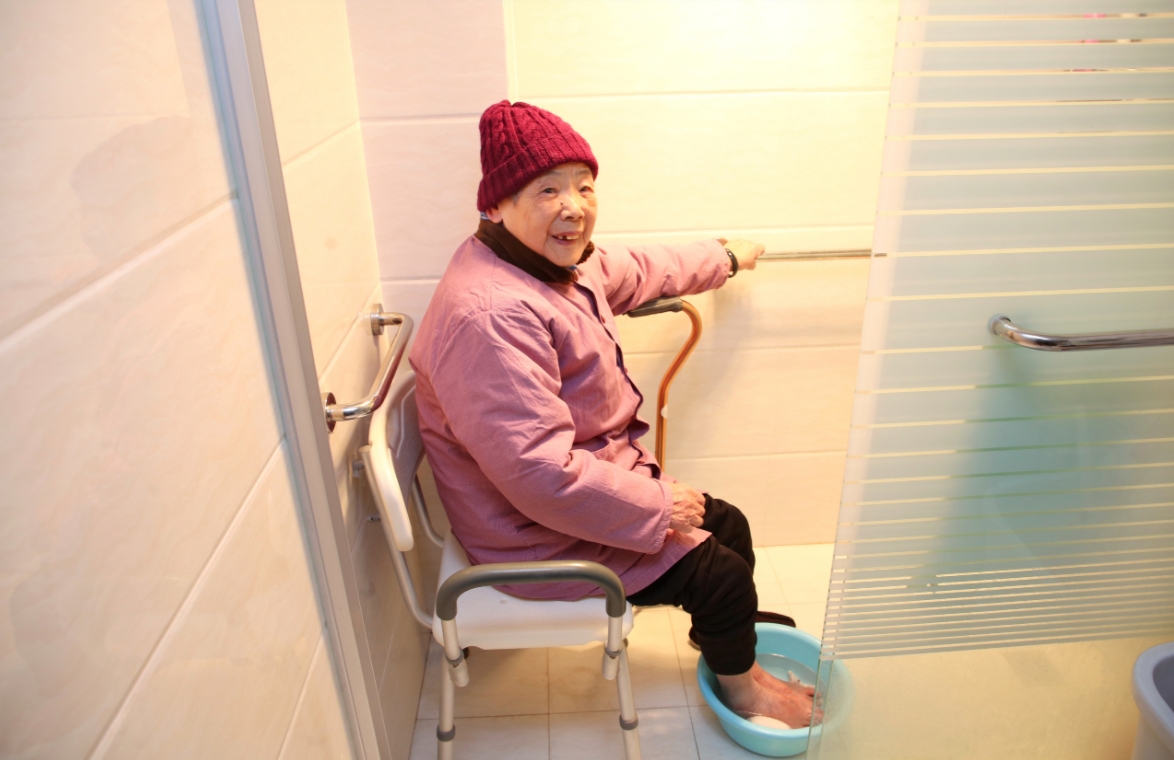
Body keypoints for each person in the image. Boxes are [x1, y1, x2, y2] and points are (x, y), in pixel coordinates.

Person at [409, 100, 819, 727]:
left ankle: (729, 644)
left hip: (572, 492)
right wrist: (656, 505)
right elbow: (539, 475)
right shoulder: (490, 315)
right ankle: (747, 690)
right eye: (547, 190)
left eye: (584, 185)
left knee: (728, 526)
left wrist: (725, 257)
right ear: (495, 206)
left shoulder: (552, 263)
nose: (574, 206)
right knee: (721, 576)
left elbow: (638, 269)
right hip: (532, 534)